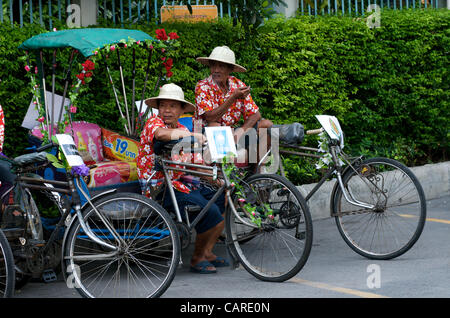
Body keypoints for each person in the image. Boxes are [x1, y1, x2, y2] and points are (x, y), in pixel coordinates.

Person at [137, 83, 228, 274]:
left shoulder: (180, 127)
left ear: (180, 110)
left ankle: (207, 252)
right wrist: (190, 135)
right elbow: (162, 135)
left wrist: (218, 181)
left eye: (172, 106)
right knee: (208, 210)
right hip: (159, 189)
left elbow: (196, 165)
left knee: (219, 196)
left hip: (179, 183)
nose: (167, 110)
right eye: (163, 105)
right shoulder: (154, 124)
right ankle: (196, 259)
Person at [194, 46, 273, 165]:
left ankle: (257, 172)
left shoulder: (237, 84)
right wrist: (232, 98)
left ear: (230, 69)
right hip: (206, 134)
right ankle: (224, 176)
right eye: (213, 65)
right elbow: (210, 117)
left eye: (221, 66)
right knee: (214, 125)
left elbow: (255, 114)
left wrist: (240, 132)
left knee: (266, 125)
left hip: (232, 134)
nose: (216, 70)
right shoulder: (202, 86)